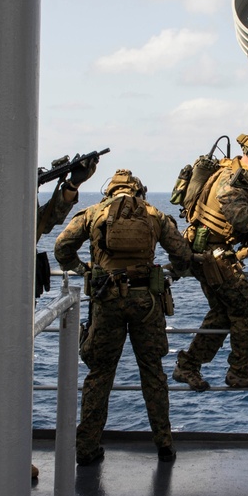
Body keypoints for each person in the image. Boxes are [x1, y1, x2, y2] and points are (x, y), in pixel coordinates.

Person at [0, 152, 98, 481]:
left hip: (7, 314)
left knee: (11, 391)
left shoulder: (19, 219)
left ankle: (13, 458)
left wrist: (71, 184)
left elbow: (50, 216)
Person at [54, 169, 193, 465]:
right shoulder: (154, 215)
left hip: (107, 300)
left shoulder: (93, 213)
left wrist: (84, 270)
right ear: (138, 190)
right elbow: (182, 255)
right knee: (153, 372)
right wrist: (176, 273)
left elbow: (61, 248)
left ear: (109, 191)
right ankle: (165, 445)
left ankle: (87, 447)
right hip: (147, 302)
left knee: (100, 375)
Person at [172, 130, 248, 392]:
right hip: (211, 254)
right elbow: (241, 219)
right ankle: (240, 371)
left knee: (223, 314)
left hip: (208, 253)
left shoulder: (245, 179)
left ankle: (188, 365)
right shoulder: (233, 179)